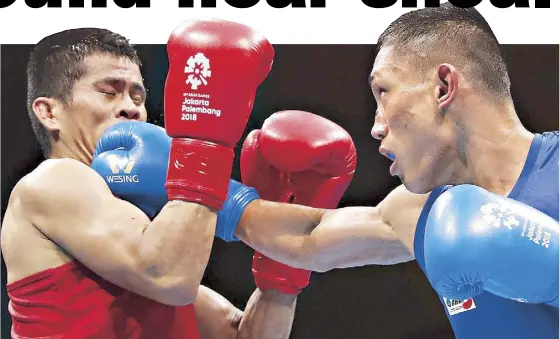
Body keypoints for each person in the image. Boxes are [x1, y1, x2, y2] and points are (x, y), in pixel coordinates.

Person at [218, 3, 558, 339]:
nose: (376, 127)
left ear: (443, 87)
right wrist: (191, 175)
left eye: (384, 92)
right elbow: (309, 236)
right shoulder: (421, 210)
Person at [1, 19, 354, 338]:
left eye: (137, 95)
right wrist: (204, 149)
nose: (131, 108)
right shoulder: (51, 181)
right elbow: (166, 276)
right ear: (49, 111)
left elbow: (243, 334)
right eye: (109, 90)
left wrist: (281, 273)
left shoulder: (134, 235)